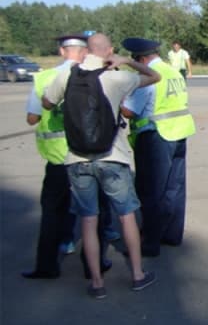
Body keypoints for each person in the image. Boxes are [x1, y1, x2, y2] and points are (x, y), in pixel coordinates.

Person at [43, 33, 161, 298]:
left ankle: (97, 283)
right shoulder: (116, 77)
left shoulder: (68, 75)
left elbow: (47, 103)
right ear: (108, 51)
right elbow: (155, 77)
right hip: (113, 157)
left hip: (77, 159)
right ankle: (138, 274)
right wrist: (127, 61)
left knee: (88, 219)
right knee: (126, 215)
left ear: (86, 51)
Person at [21, 35, 88, 279]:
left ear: (62, 51)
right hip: (87, 153)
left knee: (52, 211)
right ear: (84, 52)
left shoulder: (44, 78)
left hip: (58, 158)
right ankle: (95, 266)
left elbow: (32, 118)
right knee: (92, 212)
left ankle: (47, 265)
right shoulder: (92, 74)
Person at [122, 37, 196, 257]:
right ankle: (172, 235)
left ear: (141, 58)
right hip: (180, 133)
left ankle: (149, 243)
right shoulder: (173, 71)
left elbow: (129, 111)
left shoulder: (147, 77)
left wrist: (118, 99)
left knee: (151, 191)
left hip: (156, 136)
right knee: (175, 188)